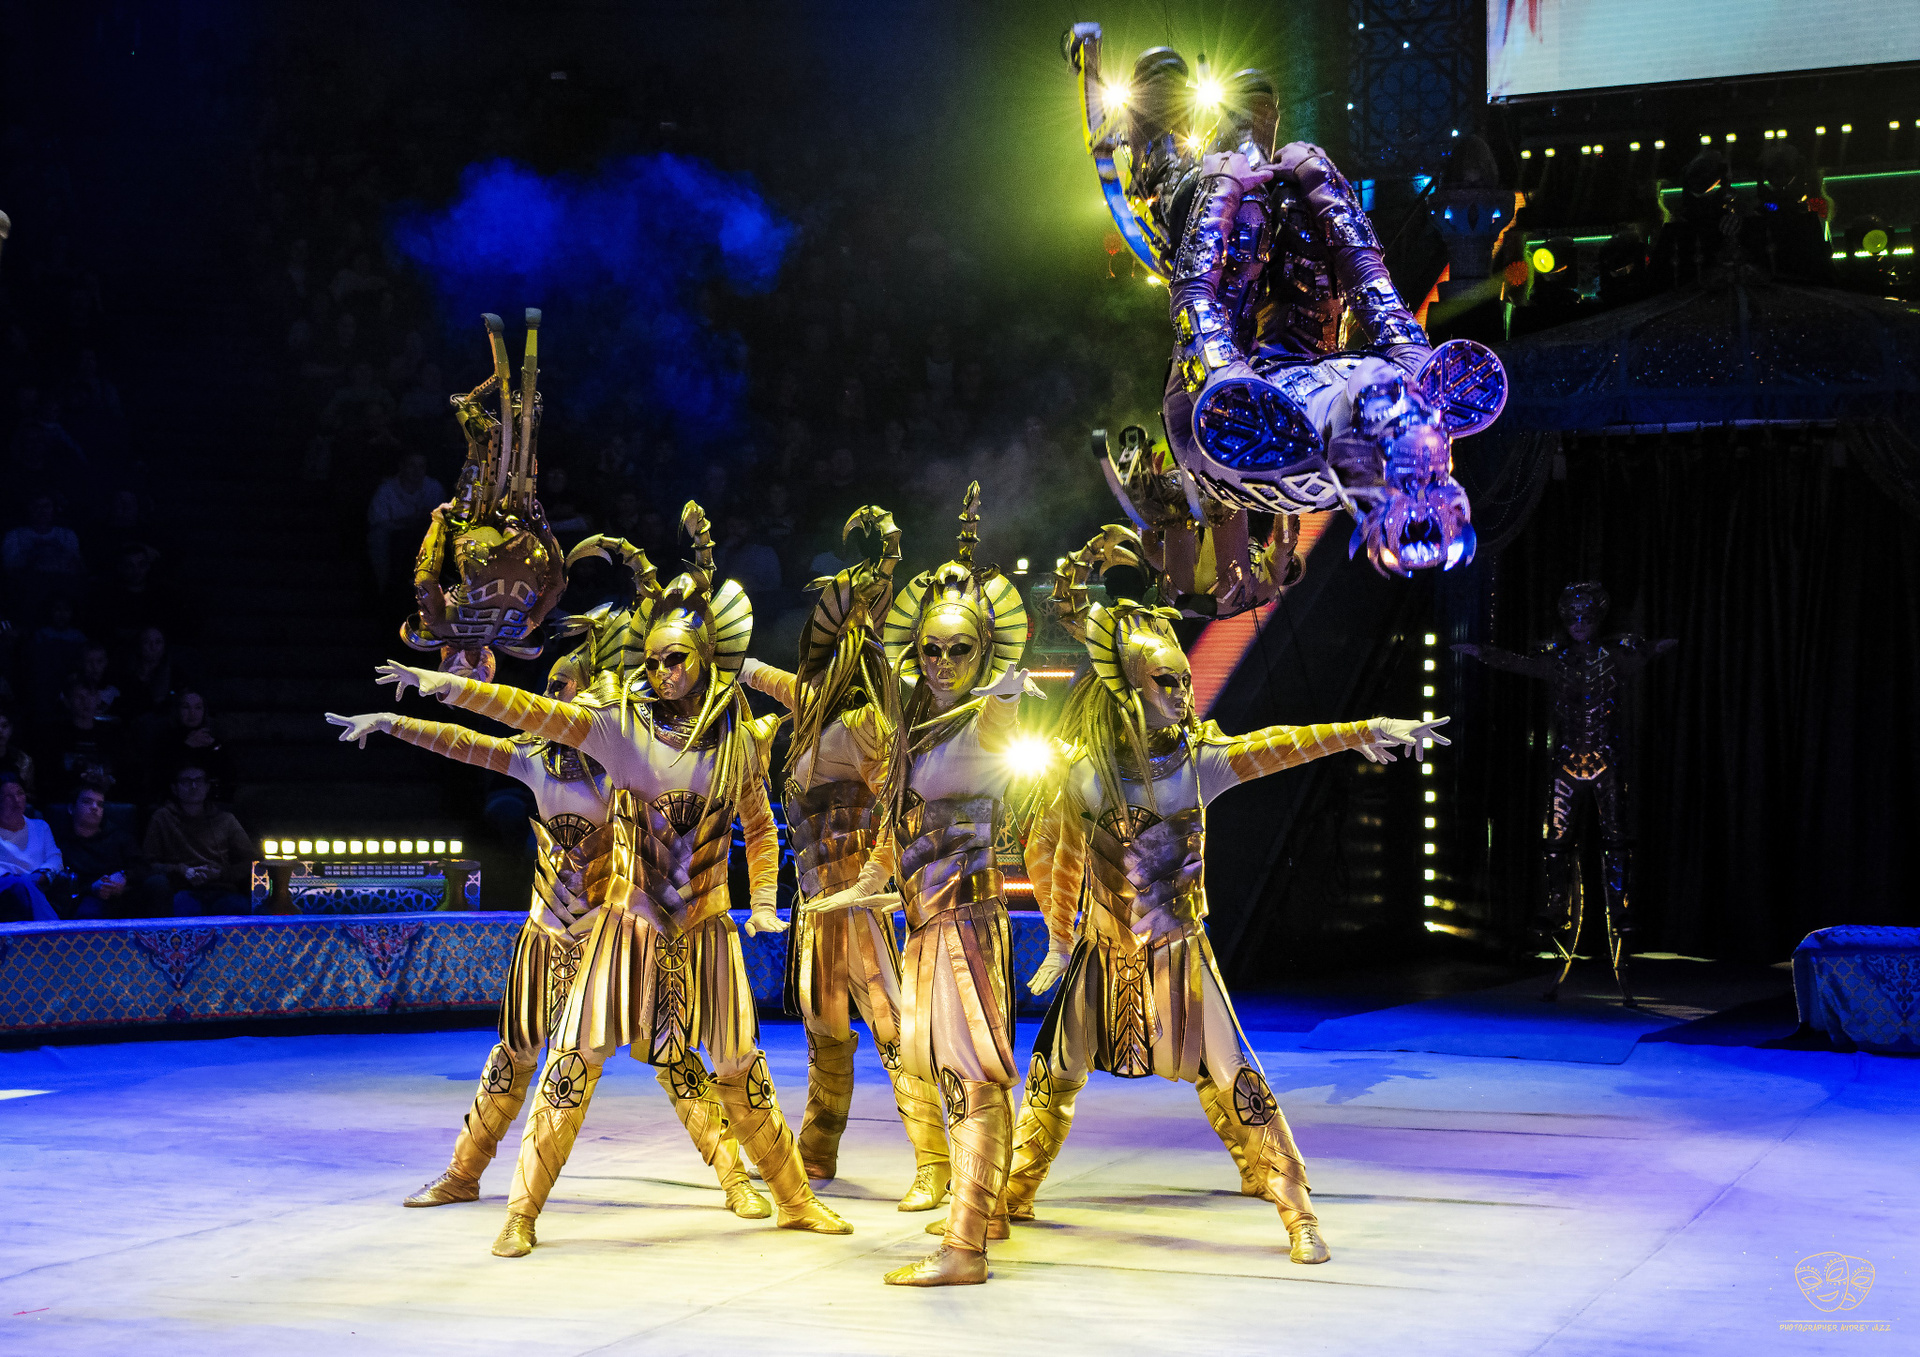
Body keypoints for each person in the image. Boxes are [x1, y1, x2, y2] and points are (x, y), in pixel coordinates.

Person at [375, 501, 851, 1256]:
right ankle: (519, 1212)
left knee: (740, 1069)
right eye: (653, 661)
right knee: (570, 1062)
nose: (661, 673)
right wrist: (444, 685)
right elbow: (524, 713)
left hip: (707, 925)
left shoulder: (736, 743)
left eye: (676, 659)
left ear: (707, 659)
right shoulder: (619, 729)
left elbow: (761, 826)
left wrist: (763, 900)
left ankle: (793, 1199)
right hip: (626, 923)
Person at [1005, 528, 1449, 1265]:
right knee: (1051, 1076)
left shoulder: (1198, 759)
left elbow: (1279, 743)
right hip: (1102, 952)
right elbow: (1051, 851)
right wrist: (1057, 938)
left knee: (1236, 1076)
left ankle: (1295, 1205)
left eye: (1184, 681)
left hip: (1179, 950)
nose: (1184, 695)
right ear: (1128, 687)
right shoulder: (1084, 770)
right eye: (1167, 683)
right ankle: (1011, 1192)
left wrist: (1363, 730)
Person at [326, 657, 770, 1221]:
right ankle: (463, 1173)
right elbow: (465, 744)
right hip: (548, 933)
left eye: (565, 687)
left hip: (616, 939)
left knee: (673, 1056)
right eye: (553, 687)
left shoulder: (630, 762)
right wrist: (394, 721)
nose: (553, 696)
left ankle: (736, 1180)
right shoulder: (535, 757)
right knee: (513, 1054)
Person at [735, 506, 953, 1212]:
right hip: (815, 906)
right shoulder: (809, 713)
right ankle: (818, 1149)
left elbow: (896, 806)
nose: (811, 666)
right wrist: (718, 648)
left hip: (857, 904)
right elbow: (760, 675)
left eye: (827, 656)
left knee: (892, 1029)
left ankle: (934, 1161)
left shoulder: (866, 726)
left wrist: (876, 878)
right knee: (823, 1029)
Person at [874, 484, 1035, 1287]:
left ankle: (964, 1247)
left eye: (958, 649)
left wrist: (1004, 689)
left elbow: (1003, 718)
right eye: (931, 650)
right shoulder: (916, 727)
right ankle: (986, 1211)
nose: (940, 663)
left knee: (973, 1077)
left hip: (965, 924)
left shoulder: (978, 722)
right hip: (930, 924)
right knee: (956, 1073)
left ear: (984, 650)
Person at [140, 763, 252, 915]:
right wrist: (181, 870)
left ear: (207, 787)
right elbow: (148, 863)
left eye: (198, 781)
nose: (193, 786)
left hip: (222, 888)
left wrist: (220, 873)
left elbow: (250, 861)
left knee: (238, 908)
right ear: (175, 788)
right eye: (186, 781)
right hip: (181, 889)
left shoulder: (226, 820)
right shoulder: (162, 818)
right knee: (183, 907)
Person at [47, 775, 140, 919]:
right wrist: (92, 888)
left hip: (123, 896)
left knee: (157, 884)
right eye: (87, 802)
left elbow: (143, 867)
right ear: (71, 808)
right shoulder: (60, 842)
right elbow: (60, 884)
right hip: (85, 899)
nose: (95, 808)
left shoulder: (118, 837)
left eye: (100, 804)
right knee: (90, 908)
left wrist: (124, 876)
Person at [35, 675, 124, 805]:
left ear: (98, 698)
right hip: (66, 800)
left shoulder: (111, 734)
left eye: (90, 696)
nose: (86, 702)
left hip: (103, 800)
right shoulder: (55, 734)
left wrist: (107, 780)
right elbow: (48, 775)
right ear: (67, 701)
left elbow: (119, 769)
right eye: (79, 697)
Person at [367, 451, 446, 590]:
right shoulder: (386, 490)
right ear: (402, 466)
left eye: (421, 466)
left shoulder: (433, 488)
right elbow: (379, 522)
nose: (416, 471)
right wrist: (408, 522)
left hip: (425, 534)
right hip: (393, 536)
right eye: (411, 465)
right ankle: (384, 588)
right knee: (378, 537)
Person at [0, 770, 62, 921]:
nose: (16, 800)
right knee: (21, 884)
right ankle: (53, 930)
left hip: (36, 883)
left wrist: (40, 876)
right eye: (8, 796)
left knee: (26, 886)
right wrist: (22, 880)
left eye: (20, 793)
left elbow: (55, 858)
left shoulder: (40, 827)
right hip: (4, 887)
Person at [0, 709, 39, 795]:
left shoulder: (23, 760)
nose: (0, 731)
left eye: (4, 726)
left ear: (11, 729)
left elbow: (29, 792)